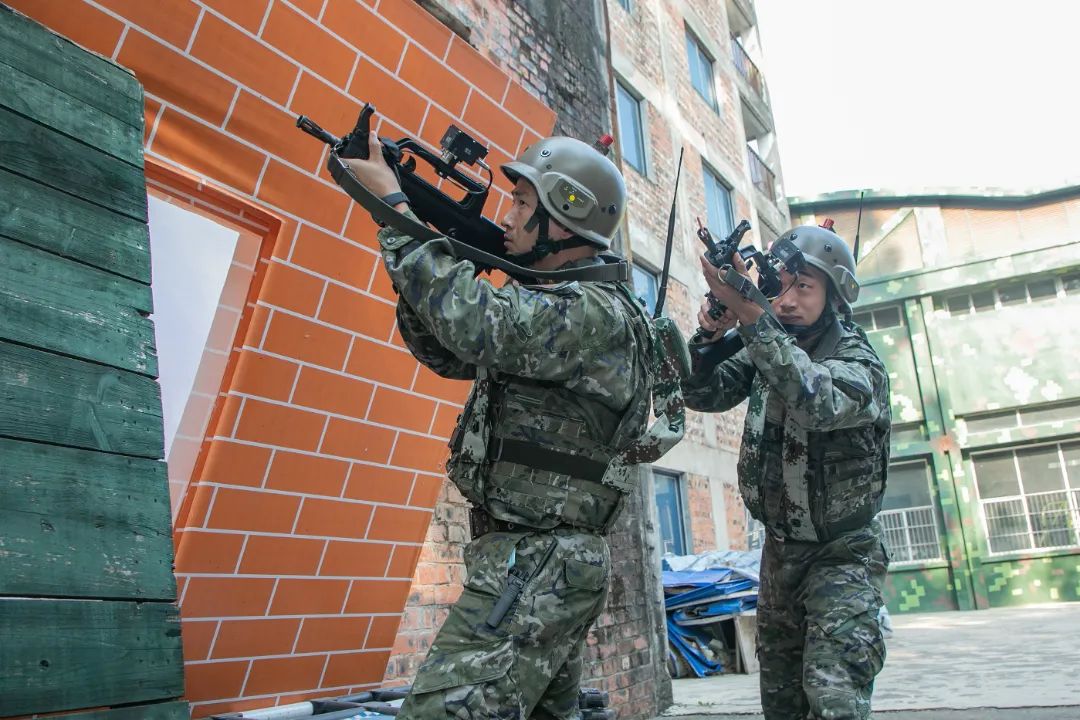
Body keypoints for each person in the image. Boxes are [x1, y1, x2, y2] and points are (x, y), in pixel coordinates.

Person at [341, 131, 682, 718]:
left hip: (539, 560)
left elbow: (474, 325)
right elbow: (448, 350)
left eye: (523, 203)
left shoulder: (590, 310)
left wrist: (396, 213)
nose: (507, 216)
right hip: (531, 557)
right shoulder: (559, 303)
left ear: (565, 215)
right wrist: (435, 254)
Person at [683, 223, 892, 719]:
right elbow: (701, 393)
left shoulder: (858, 362)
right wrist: (710, 333)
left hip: (842, 555)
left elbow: (814, 398)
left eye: (805, 287)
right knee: (782, 704)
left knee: (834, 698)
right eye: (780, 286)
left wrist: (750, 313)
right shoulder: (767, 347)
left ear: (834, 296)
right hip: (779, 555)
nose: (789, 300)